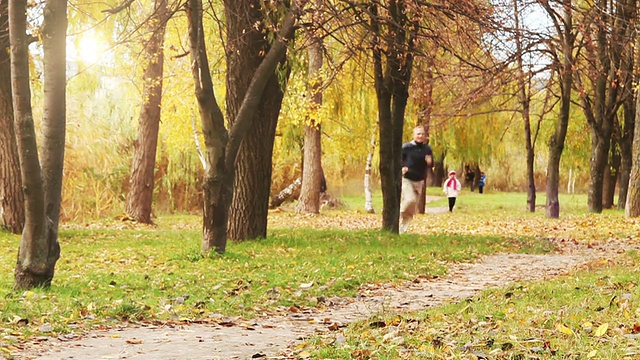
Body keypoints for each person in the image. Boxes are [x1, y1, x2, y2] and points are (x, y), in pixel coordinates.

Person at [400, 126, 433, 233]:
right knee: (410, 199)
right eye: (418, 134)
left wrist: (430, 162)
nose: (420, 136)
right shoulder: (406, 147)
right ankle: (396, 214)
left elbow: (432, 164)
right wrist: (402, 168)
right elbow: (398, 160)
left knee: (412, 208)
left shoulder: (427, 149)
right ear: (414, 135)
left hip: (419, 180)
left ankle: (403, 230)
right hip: (407, 178)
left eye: (422, 134)